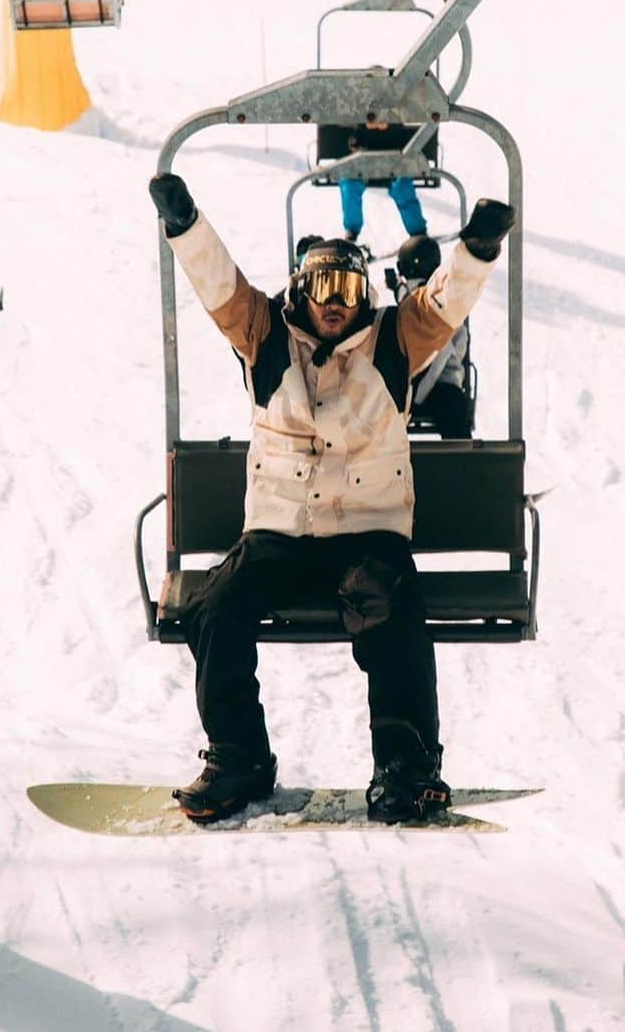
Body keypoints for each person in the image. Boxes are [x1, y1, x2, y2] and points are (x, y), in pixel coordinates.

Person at [148, 171, 516, 823]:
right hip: (278, 535)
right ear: (301, 289)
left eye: (347, 286)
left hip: (366, 533)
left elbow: (444, 302)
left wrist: (477, 247)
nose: (336, 301)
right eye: (323, 285)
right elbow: (218, 284)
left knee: (391, 610)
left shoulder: (395, 341)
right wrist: (184, 224)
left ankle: (407, 767)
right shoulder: (263, 337)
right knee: (215, 608)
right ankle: (239, 758)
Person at [390, 234, 472, 438]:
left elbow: (436, 356)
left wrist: (414, 397)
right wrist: (397, 288)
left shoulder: (424, 307)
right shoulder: (440, 298)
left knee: (450, 404)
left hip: (432, 385)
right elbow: (413, 296)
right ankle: (465, 461)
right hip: (426, 385)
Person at [337, 121, 427, 243]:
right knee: (350, 186)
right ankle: (352, 231)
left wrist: (388, 125)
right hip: (363, 160)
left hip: (395, 158)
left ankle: (418, 231)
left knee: (402, 187)